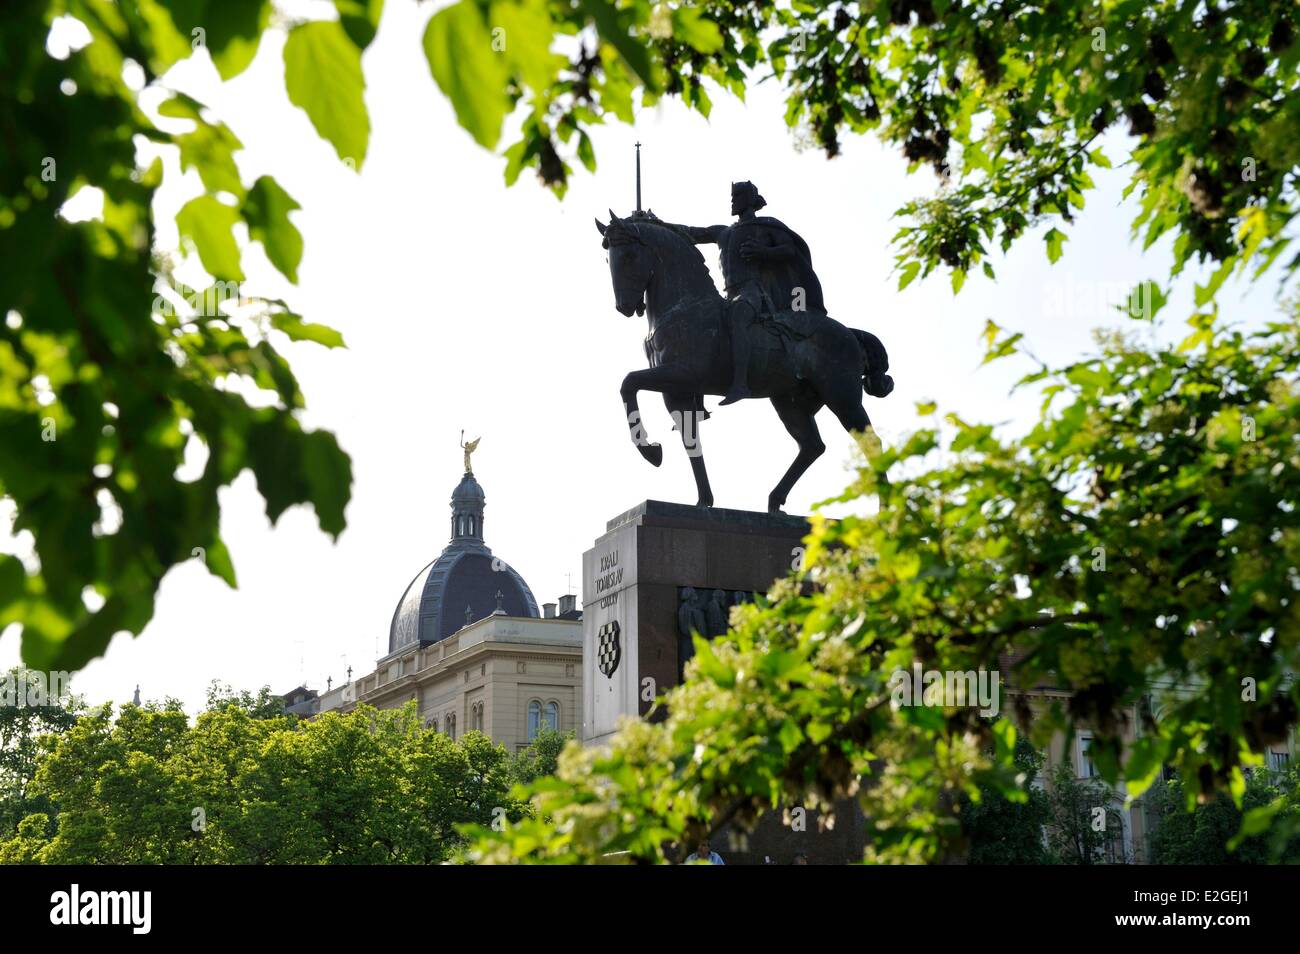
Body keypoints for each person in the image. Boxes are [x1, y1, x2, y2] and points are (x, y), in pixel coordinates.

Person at [666, 182, 825, 405]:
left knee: (739, 315)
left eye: (738, 195)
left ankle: (740, 384)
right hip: (729, 295)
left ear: (751, 200)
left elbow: (789, 249)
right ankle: (696, 397)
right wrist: (658, 224)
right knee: (699, 323)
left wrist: (764, 252)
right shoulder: (722, 232)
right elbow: (690, 233)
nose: (733, 200)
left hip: (754, 293)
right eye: (732, 196)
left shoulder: (767, 225)